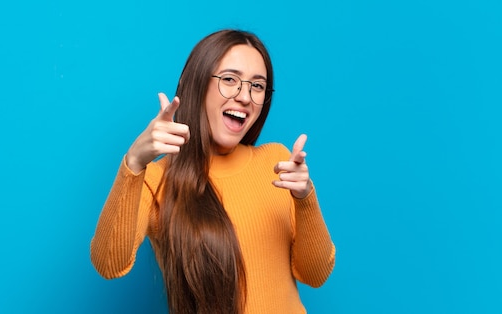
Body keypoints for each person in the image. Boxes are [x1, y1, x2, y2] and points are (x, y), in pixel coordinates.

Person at [90, 29, 335, 314]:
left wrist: (305, 198)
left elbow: (315, 275)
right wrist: (134, 163)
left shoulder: (277, 162)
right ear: (198, 84)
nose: (245, 96)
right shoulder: (158, 180)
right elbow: (109, 263)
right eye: (229, 80)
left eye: (257, 86)